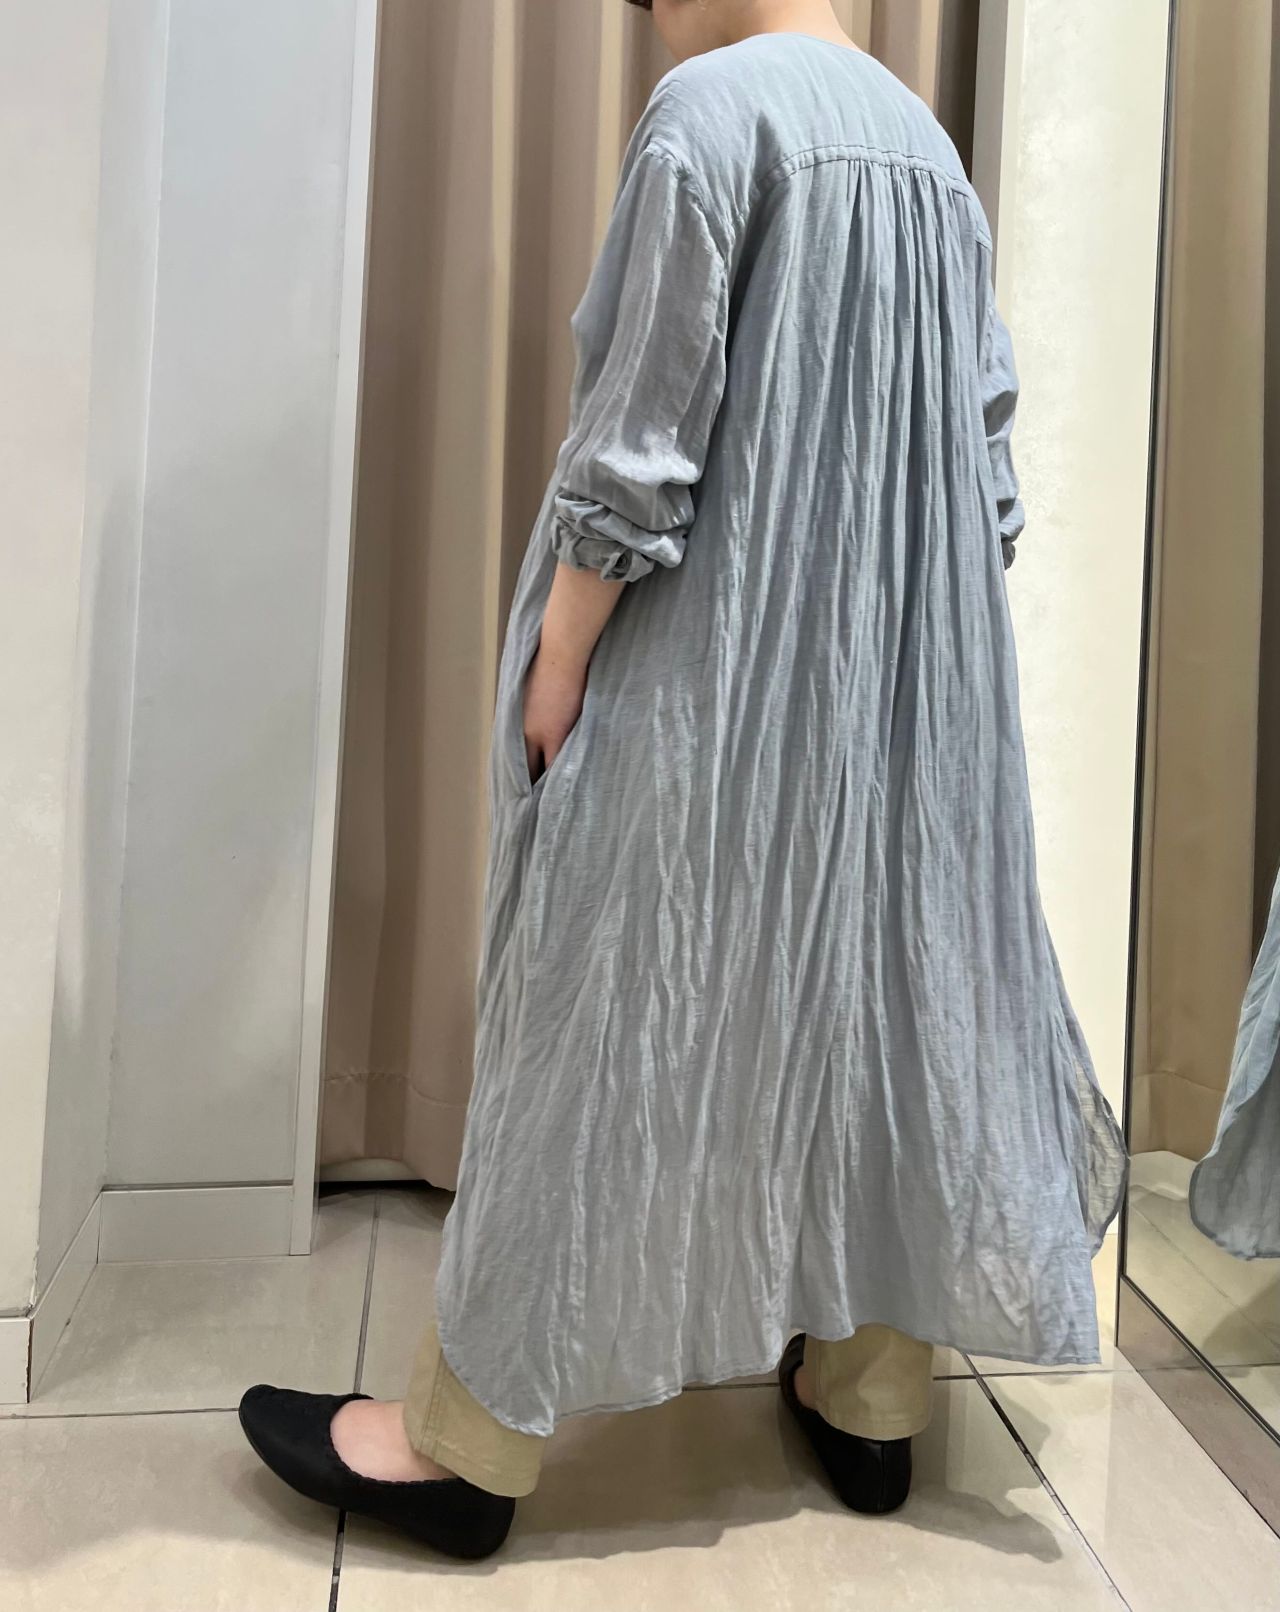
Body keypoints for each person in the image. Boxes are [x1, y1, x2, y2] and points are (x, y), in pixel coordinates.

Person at [239, 0, 1127, 1561]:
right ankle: (871, 1400)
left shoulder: (710, 117)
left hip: (709, 678)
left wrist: (561, 656)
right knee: (884, 1006)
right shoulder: (931, 157)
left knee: (600, 1010)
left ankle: (466, 1447)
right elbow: (988, 475)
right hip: (905, 697)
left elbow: (641, 441)